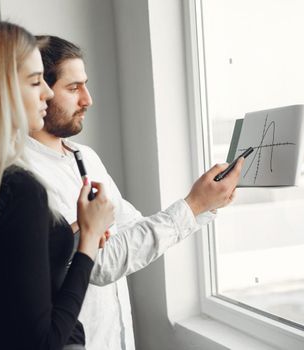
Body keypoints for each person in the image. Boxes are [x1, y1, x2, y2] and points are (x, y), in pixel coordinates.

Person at [25, 35, 243, 350]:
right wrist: (193, 205)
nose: (88, 99)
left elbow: (132, 230)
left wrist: (202, 205)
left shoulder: (85, 156)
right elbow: (98, 265)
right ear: (40, 92)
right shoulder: (24, 177)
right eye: (73, 89)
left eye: (85, 85)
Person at [0, 21, 114, 350]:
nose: (46, 92)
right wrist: (88, 239)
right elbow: (44, 342)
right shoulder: (21, 190)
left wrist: (66, 234)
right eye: (35, 82)